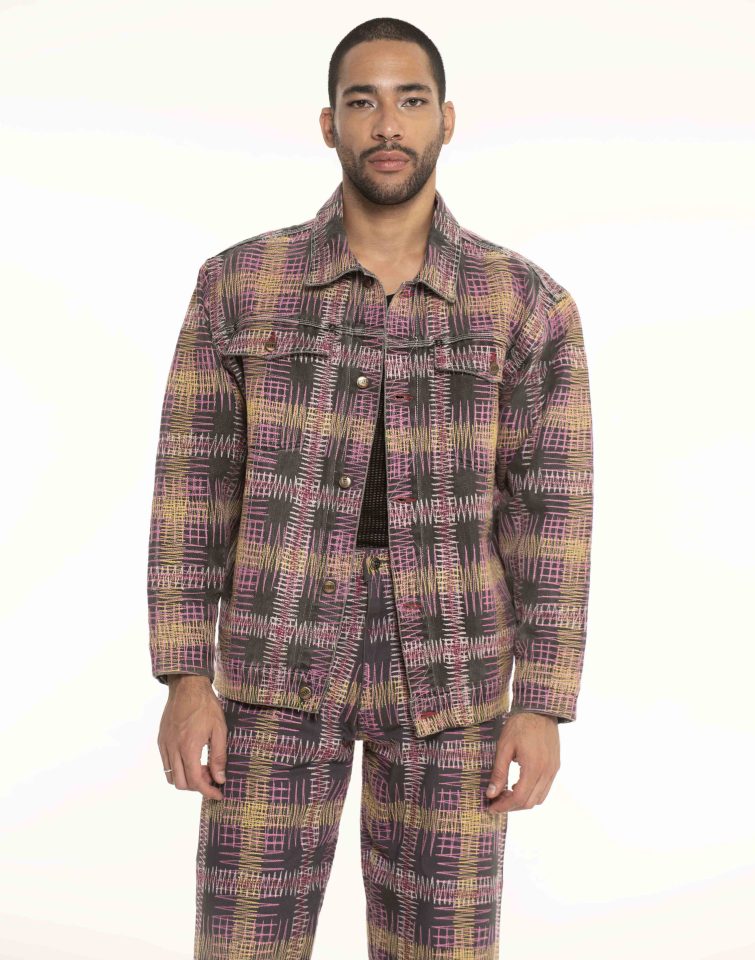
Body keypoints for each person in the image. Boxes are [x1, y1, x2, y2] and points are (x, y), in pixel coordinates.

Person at [146, 16, 594, 960]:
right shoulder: (240, 285)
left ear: (446, 119)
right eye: (363, 102)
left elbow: (552, 509)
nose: (388, 124)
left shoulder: (526, 305)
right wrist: (186, 676)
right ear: (329, 124)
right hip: (272, 662)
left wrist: (544, 701)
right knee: (244, 946)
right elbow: (193, 488)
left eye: (410, 100)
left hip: (456, 672)